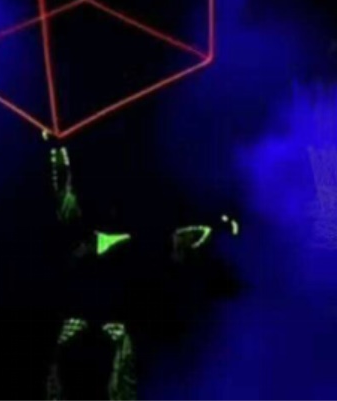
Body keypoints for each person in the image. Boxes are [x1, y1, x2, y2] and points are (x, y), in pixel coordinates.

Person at [42, 131, 238, 401]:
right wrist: (57, 151)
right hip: (80, 326)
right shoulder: (76, 230)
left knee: (118, 367)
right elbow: (63, 189)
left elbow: (183, 237)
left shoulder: (137, 243)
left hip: (112, 328)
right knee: (65, 366)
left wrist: (219, 226)